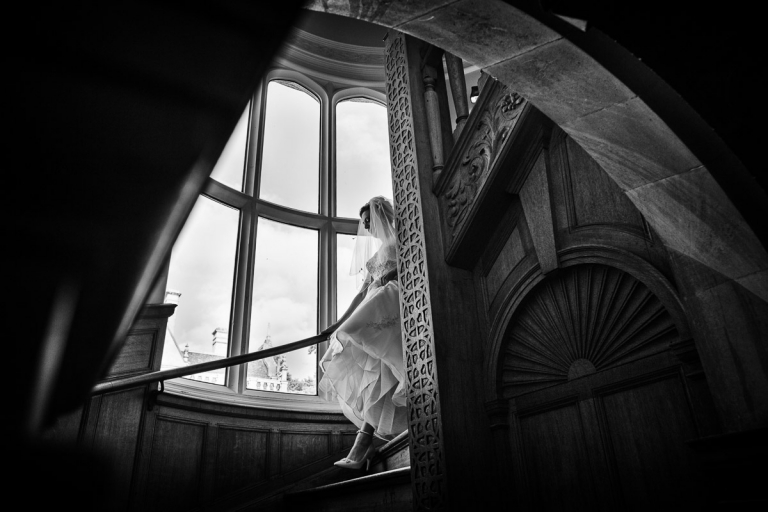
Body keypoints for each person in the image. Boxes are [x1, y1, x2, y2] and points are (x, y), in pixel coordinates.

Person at [318, 196, 407, 470]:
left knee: (382, 369)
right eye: (365, 224)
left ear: (384, 216)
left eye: (370, 222)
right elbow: (360, 295)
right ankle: (363, 442)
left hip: (392, 306)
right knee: (374, 372)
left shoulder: (403, 241)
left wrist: (385, 280)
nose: (368, 228)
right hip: (375, 308)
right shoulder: (374, 256)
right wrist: (338, 324)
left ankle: (363, 443)